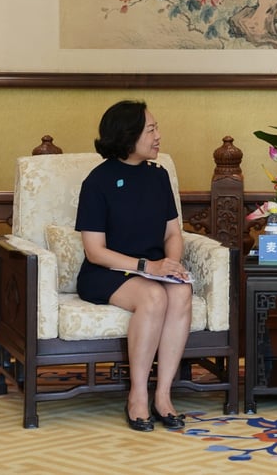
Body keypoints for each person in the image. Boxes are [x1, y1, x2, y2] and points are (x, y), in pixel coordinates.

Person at [75, 100, 194, 432]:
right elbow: (95, 251)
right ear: (128, 136)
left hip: (152, 268)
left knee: (181, 291)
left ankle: (164, 396)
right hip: (106, 273)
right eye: (151, 129)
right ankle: (138, 396)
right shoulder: (97, 182)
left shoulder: (159, 177)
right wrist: (148, 266)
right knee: (153, 297)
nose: (159, 136)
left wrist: (172, 262)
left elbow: (173, 232)